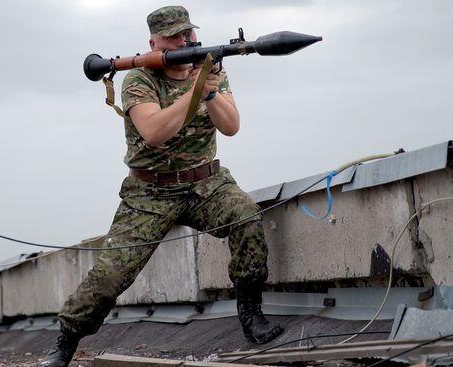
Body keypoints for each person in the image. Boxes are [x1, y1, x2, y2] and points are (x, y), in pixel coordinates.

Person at [40, 6, 282, 367]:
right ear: (154, 42)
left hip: (206, 182)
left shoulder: (212, 71)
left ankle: (251, 311)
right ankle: (65, 342)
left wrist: (211, 91)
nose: (184, 41)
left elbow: (231, 127)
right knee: (110, 275)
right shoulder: (139, 79)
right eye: (174, 36)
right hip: (149, 193)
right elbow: (154, 132)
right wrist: (197, 92)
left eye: (188, 34)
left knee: (246, 216)